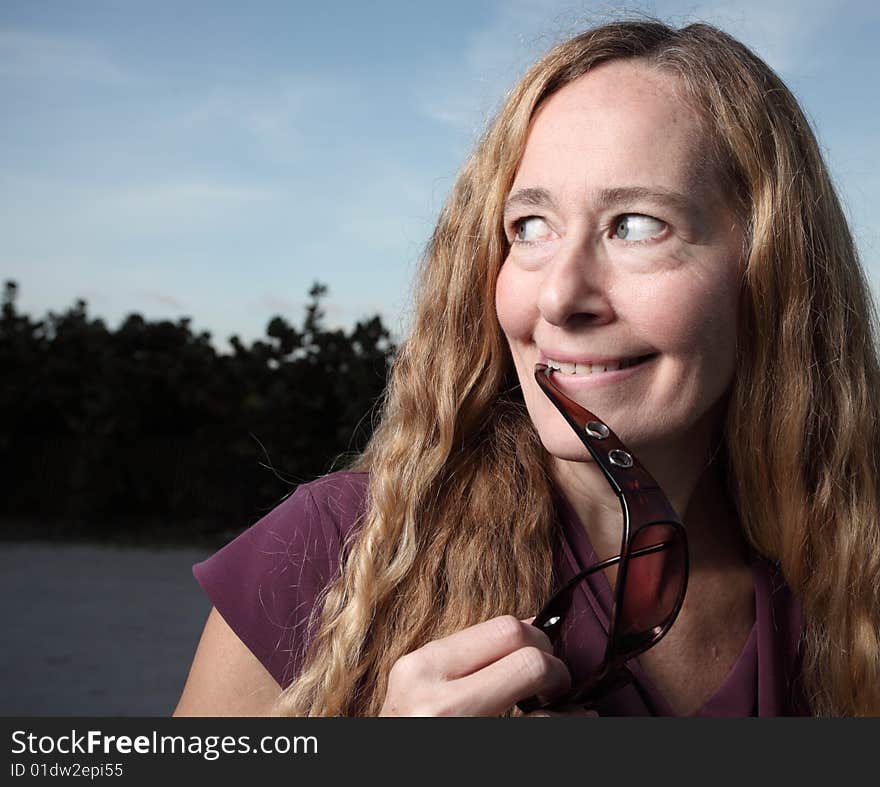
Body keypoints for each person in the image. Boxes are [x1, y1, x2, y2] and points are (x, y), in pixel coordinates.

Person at [173, 19, 880, 718]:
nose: (558, 296)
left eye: (635, 224)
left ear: (772, 274)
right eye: (530, 227)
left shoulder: (854, 587)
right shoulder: (336, 550)